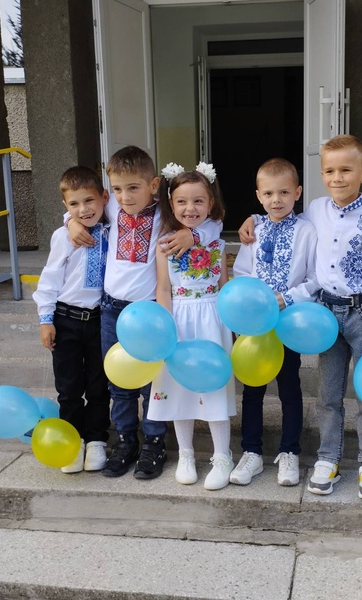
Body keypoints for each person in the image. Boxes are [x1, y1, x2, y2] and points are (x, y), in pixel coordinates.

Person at [239, 135, 362, 500]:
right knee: (328, 393)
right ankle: (328, 457)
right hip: (327, 313)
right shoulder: (315, 210)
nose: (337, 178)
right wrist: (252, 218)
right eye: (329, 171)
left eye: (346, 170)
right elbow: (280, 215)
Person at [66, 146, 221, 479]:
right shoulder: (111, 207)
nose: (125, 197)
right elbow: (83, 207)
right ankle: (125, 442)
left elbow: (212, 226)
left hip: (150, 311)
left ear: (153, 185)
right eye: (118, 189)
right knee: (119, 381)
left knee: (152, 382)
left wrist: (191, 233)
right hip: (112, 310)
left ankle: (154, 443)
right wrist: (69, 222)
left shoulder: (166, 212)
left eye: (133, 188)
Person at [229, 158, 319, 487]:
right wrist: (249, 304)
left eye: (283, 192)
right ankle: (251, 452)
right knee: (252, 389)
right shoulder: (254, 230)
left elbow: (315, 278)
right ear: (258, 196)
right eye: (268, 194)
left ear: (298, 192)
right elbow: (241, 273)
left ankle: (289, 451)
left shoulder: (308, 231)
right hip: (256, 325)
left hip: (288, 322)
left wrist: (288, 298)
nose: (276, 200)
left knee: (289, 387)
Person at [148, 162, 237, 491]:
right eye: (182, 201)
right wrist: (166, 328)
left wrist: (231, 324)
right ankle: (185, 453)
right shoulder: (164, 245)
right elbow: (163, 289)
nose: (191, 208)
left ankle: (222, 455)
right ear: (171, 204)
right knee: (179, 387)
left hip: (212, 319)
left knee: (214, 386)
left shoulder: (217, 243)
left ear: (210, 203)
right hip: (179, 320)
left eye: (199, 200)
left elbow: (224, 286)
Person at [32, 166, 111, 474]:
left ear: (104, 197)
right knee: (68, 386)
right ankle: (73, 440)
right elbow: (50, 279)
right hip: (66, 319)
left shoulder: (114, 229)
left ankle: (97, 439)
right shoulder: (63, 236)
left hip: (100, 320)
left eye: (89, 201)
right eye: (74, 205)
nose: (83, 209)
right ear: (65, 206)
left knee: (98, 384)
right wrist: (45, 319)